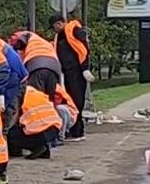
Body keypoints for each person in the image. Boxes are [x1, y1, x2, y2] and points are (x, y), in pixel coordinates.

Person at [51, 11, 94, 139]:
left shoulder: (74, 29)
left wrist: (85, 68)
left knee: (76, 100)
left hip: (77, 71)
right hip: (67, 72)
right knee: (70, 100)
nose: (54, 30)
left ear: (59, 24)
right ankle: (72, 128)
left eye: (54, 26)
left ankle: (78, 131)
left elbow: (84, 48)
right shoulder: (60, 36)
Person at [10, 84, 61, 159]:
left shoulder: (17, 95)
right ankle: (44, 150)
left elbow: (12, 118)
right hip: (55, 127)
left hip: (38, 129)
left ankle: (36, 147)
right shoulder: (35, 92)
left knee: (10, 133)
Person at [10, 29, 63, 95]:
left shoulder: (24, 38)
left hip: (37, 66)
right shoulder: (41, 41)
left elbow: (19, 65)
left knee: (36, 97)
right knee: (49, 98)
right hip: (54, 67)